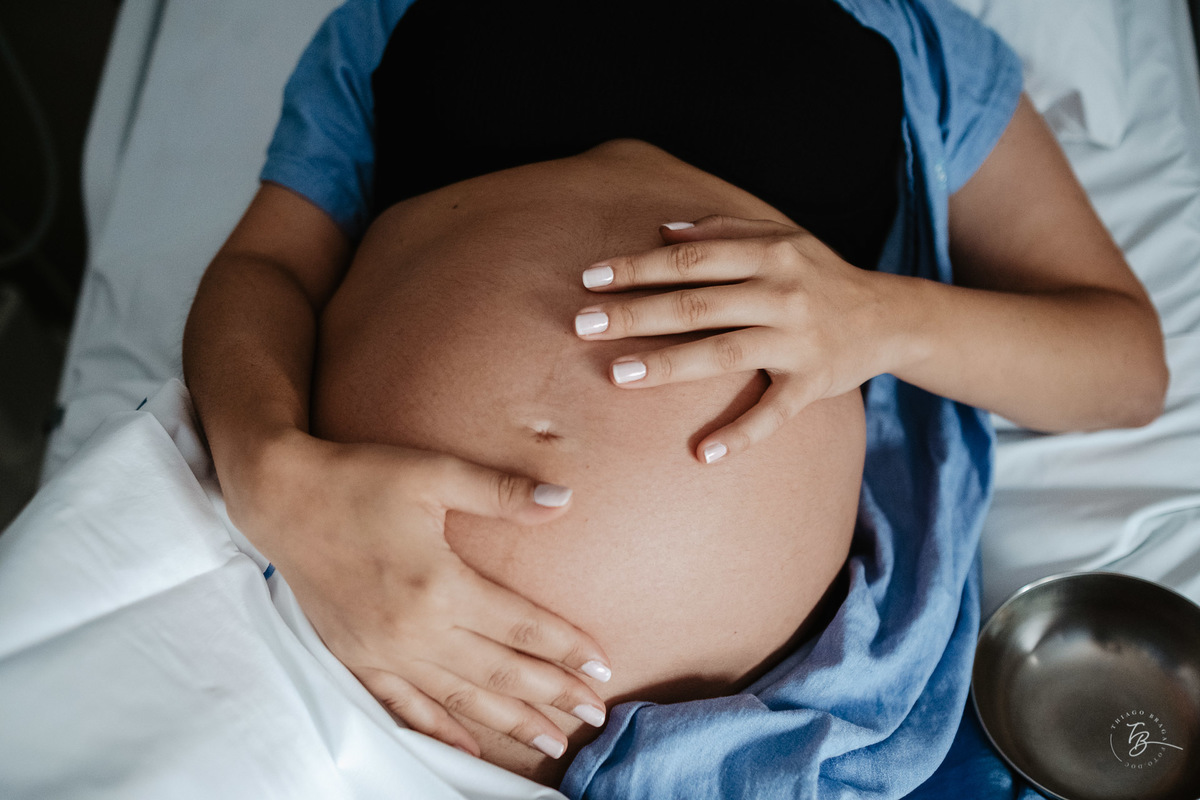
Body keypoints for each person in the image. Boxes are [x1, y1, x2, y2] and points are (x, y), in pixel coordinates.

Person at [182, 0, 1167, 796]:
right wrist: (273, 475)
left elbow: (1123, 363)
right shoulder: (391, 19)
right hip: (338, 638)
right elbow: (266, 269)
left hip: (734, 739)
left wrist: (875, 316)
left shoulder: (913, 40)